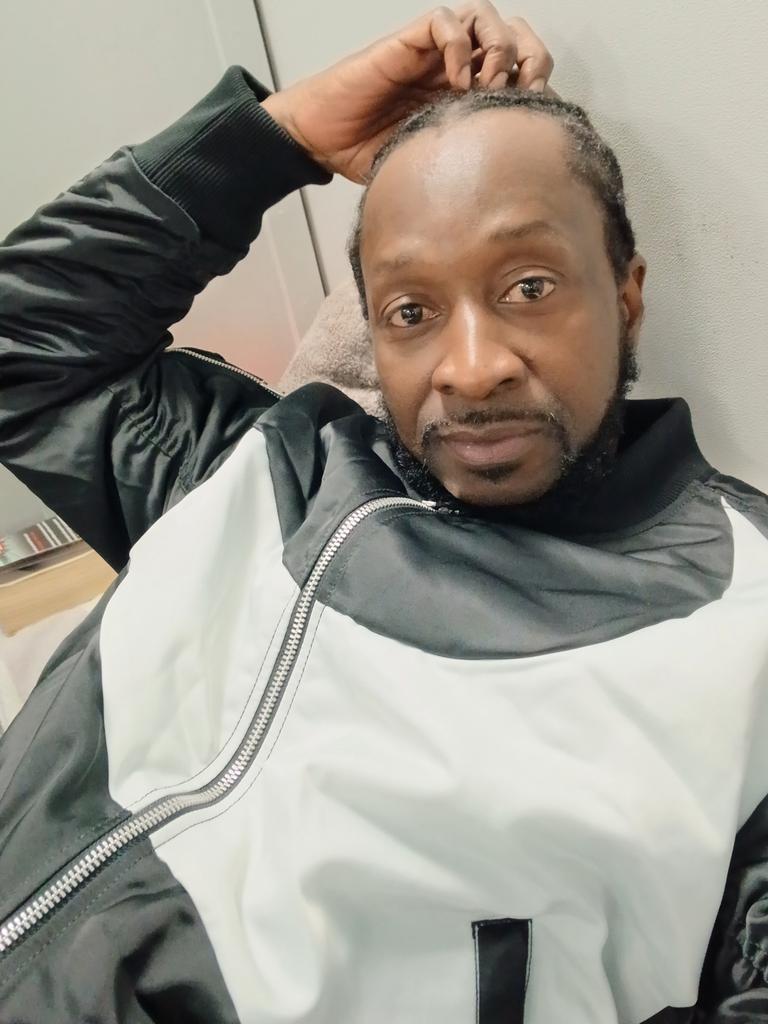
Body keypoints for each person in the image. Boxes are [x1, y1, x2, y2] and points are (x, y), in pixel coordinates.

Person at [0, 2, 766, 1020]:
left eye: (529, 286)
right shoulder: (260, 464)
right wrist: (280, 136)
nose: (472, 368)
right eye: (411, 311)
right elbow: (26, 351)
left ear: (626, 296)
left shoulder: (743, 621)